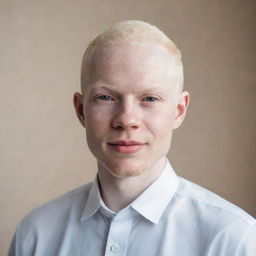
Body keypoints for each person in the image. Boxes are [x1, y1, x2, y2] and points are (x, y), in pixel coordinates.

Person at [8, 20, 256, 256]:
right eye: (106, 97)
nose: (126, 120)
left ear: (179, 111)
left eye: (149, 98)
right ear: (81, 110)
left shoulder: (234, 238)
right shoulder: (35, 235)